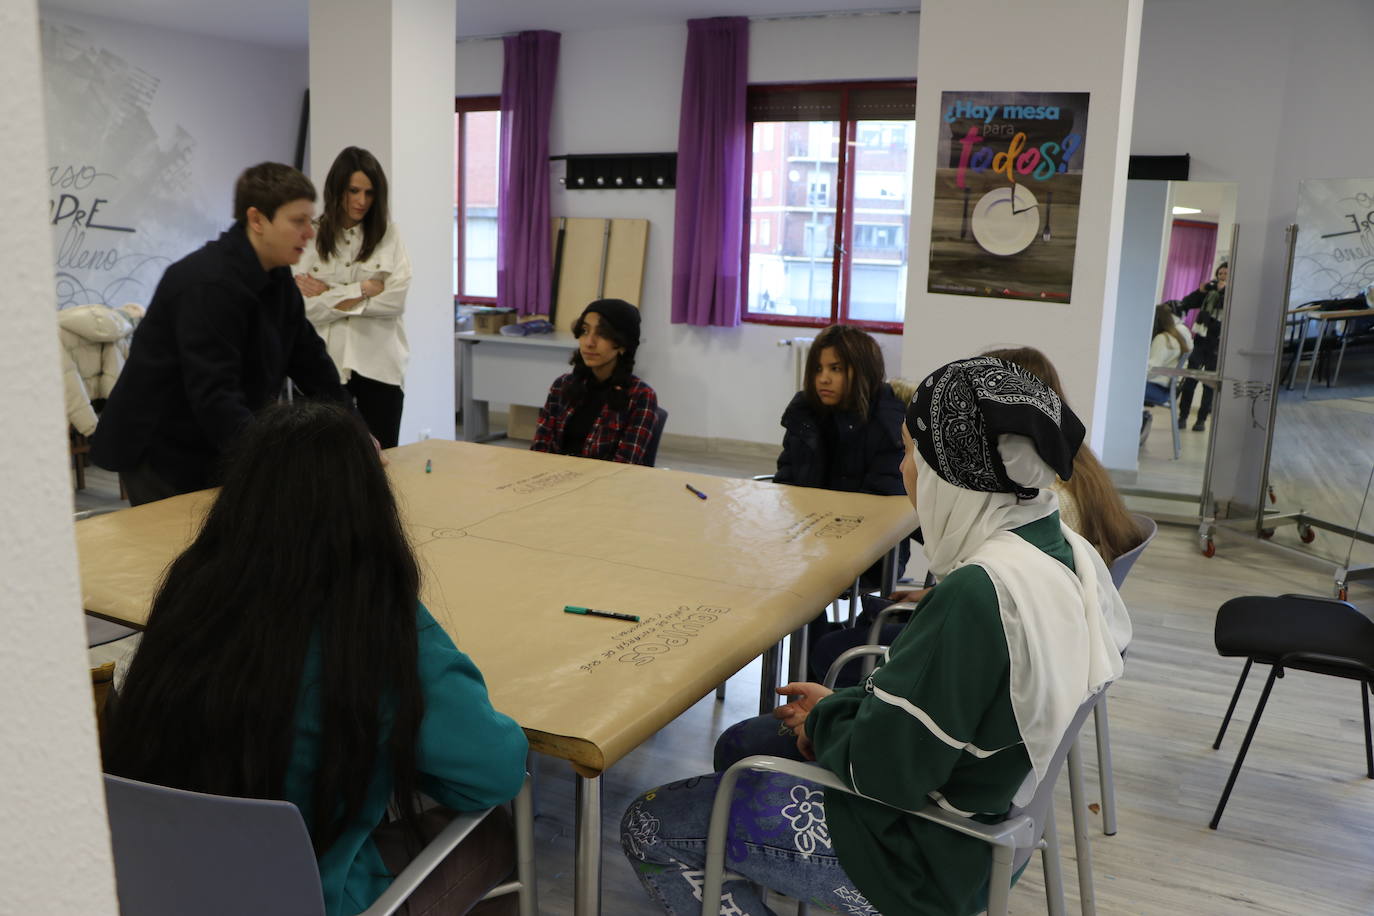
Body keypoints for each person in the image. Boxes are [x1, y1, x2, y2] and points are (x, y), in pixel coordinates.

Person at [622, 356, 1130, 916]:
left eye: (911, 451)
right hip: (993, 819)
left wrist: (824, 719)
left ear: (953, 469)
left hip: (920, 851)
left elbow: (886, 775)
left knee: (649, 822)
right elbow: (936, 709)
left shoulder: (978, 593)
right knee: (745, 744)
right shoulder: (1059, 548)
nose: (904, 467)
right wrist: (842, 707)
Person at [102, 400, 528, 916]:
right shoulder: (370, 625)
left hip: (160, 885)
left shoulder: (189, 593)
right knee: (498, 834)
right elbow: (495, 770)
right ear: (369, 508)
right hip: (308, 897)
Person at [805, 344, 1140, 688]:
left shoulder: (1020, 528)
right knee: (869, 617)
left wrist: (828, 717)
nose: (904, 465)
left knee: (831, 648)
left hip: (995, 655)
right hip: (1036, 651)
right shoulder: (1058, 485)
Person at [91, 162, 350, 505]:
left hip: (213, 439)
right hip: (162, 451)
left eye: (310, 221)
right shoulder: (207, 284)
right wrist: (270, 466)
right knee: (176, 549)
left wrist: (354, 431)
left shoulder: (277, 278)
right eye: (297, 221)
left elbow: (310, 359)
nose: (310, 233)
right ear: (257, 220)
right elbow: (215, 394)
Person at [294, 147, 413, 448]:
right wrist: (360, 290)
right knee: (322, 465)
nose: (362, 201)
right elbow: (302, 309)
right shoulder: (310, 237)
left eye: (370, 193)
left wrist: (327, 294)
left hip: (380, 366)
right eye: (354, 191)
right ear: (337, 189)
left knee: (382, 464)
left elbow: (395, 301)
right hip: (324, 368)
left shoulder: (389, 236)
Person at [530, 298, 659, 464]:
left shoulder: (641, 396)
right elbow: (540, 449)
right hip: (553, 481)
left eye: (602, 334)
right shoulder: (562, 385)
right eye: (584, 331)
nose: (589, 343)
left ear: (622, 344)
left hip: (603, 486)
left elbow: (625, 465)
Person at [1177, 262, 1227, 431]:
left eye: (1227, 274)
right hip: (1200, 340)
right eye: (1220, 273)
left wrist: (1223, 291)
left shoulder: (1235, 294)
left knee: (1209, 384)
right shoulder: (1209, 291)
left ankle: (1201, 421)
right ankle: (1182, 416)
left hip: (1218, 343)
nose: (1223, 276)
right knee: (1190, 380)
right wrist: (1201, 291)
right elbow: (1187, 302)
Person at [1145, 304, 1193, 404]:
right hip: (1167, 391)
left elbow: (1151, 370)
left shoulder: (1162, 339)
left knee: (1122, 385)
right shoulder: (1177, 338)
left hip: (1157, 390)